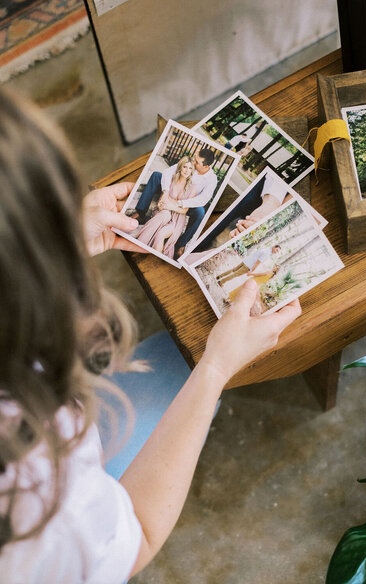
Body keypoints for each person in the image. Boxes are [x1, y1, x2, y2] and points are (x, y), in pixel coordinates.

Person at [0, 87, 301, 583]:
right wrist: (217, 368)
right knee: (187, 360)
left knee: (171, 355)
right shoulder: (36, 491)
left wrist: (66, 238)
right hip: (68, 514)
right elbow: (134, 538)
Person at [131, 148, 218, 259]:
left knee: (200, 212)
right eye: (195, 159)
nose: (193, 162)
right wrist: (166, 192)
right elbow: (168, 172)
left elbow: (203, 199)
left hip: (188, 202)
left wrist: (180, 203)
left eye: (196, 162)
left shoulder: (211, 179)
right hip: (172, 192)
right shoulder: (189, 164)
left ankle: (181, 244)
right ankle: (141, 213)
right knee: (156, 176)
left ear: (205, 167)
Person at [136, 156, 197, 258]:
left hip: (177, 220)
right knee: (165, 215)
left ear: (192, 171)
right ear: (180, 167)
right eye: (185, 167)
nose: (187, 171)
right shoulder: (171, 179)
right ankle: (140, 244)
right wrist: (165, 204)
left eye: (190, 168)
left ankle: (143, 246)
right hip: (163, 212)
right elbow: (162, 201)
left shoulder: (193, 187)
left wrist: (170, 205)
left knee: (161, 235)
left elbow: (184, 210)